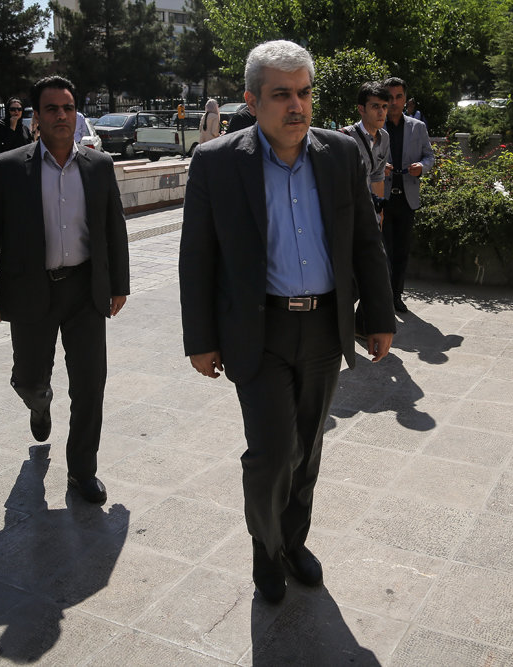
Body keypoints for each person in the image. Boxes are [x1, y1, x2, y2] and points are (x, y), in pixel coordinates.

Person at [179, 40, 396, 604]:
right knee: (272, 453)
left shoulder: (340, 154)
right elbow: (197, 256)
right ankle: (266, 545)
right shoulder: (218, 162)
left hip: (324, 329)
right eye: (281, 95)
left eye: (303, 93)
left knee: (307, 449)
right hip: (259, 332)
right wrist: (200, 339)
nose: (296, 105)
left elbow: (365, 242)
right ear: (252, 101)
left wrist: (378, 316)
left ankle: (293, 541)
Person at [0, 75, 130, 505]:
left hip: (84, 291)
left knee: (90, 385)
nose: (62, 115)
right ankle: (39, 404)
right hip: (29, 291)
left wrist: (119, 284)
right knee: (29, 378)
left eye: (68, 107)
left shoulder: (98, 165)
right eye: (52, 108)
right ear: (36, 118)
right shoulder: (9, 167)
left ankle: (82, 471)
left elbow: (114, 229)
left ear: (76, 113)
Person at [382, 77, 434, 313]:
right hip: (381, 198)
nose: (394, 102)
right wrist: (378, 167)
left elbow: (429, 156)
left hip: (406, 197)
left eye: (398, 97)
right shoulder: (375, 124)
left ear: (406, 99)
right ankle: (383, 297)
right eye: (390, 97)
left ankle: (396, 296)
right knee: (383, 252)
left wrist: (422, 167)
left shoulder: (417, 127)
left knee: (401, 251)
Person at [341, 81, 391, 224]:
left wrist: (379, 217)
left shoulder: (385, 138)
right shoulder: (345, 138)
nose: (381, 112)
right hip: (348, 217)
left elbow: (378, 178)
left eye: (384, 106)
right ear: (361, 109)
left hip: (369, 217)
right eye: (375, 106)